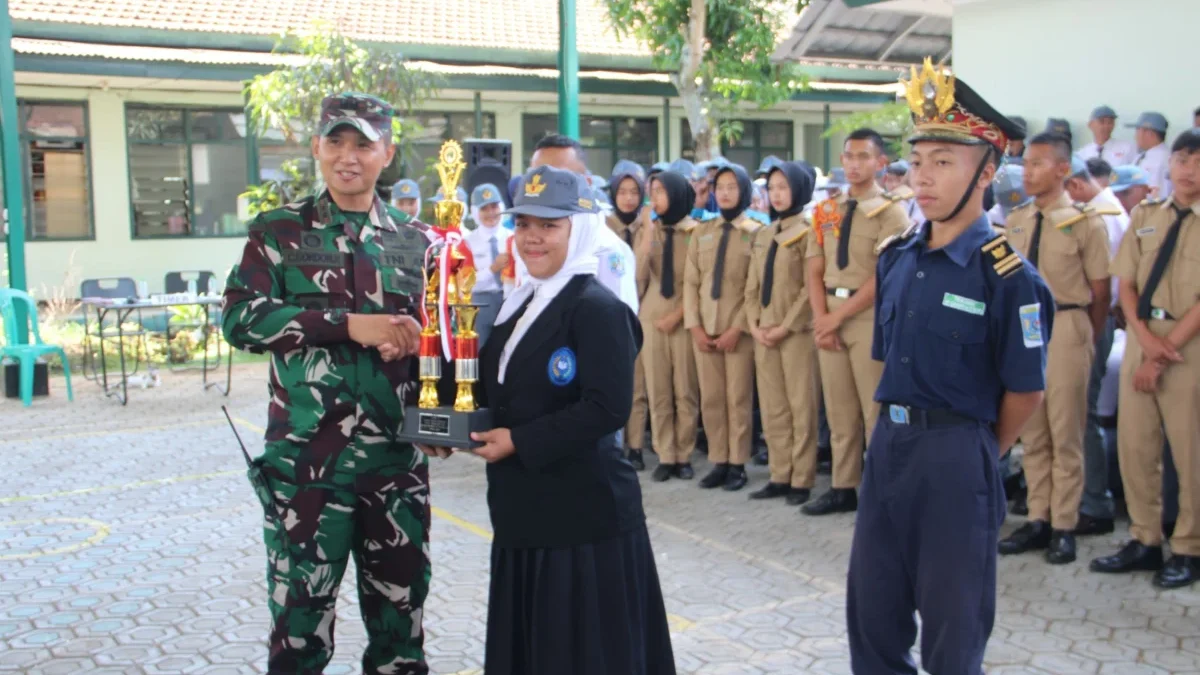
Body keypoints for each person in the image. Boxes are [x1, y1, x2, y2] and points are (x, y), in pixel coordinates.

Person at [421, 164, 676, 674]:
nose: (532, 238)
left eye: (549, 225)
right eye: (524, 224)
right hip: (525, 515)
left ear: (578, 229)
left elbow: (607, 409)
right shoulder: (521, 304)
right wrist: (445, 425)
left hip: (582, 521)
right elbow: (499, 391)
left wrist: (519, 440)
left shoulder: (596, 307)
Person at [847, 63, 1053, 675]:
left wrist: (977, 451)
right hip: (890, 446)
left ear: (987, 172)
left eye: (944, 161)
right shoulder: (898, 258)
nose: (923, 177)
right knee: (872, 617)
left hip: (958, 454)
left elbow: (1027, 391)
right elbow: (888, 358)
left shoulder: (1009, 277)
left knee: (952, 633)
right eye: (918, 162)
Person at [222, 93, 436, 674]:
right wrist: (349, 325)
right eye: (336, 142)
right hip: (305, 468)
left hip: (395, 467)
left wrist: (419, 353)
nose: (349, 157)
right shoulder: (277, 233)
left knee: (401, 637)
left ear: (386, 154)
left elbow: (443, 338)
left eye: (364, 144)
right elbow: (240, 320)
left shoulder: (421, 242)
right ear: (316, 148)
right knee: (298, 638)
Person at [1091, 129, 1200, 589]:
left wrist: (1162, 350)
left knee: (1190, 454)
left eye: (1197, 160)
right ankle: (1145, 539)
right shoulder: (1147, 215)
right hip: (1142, 336)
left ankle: (1190, 548)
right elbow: (1127, 282)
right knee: (1137, 448)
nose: (1188, 168)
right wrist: (1142, 338)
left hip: (1188, 345)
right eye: (1181, 158)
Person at [997, 132, 1112, 565]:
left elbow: (1101, 292)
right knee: (1034, 429)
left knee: (1067, 431)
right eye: (1026, 164)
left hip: (1067, 322)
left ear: (1063, 169)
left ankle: (1065, 524)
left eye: (1038, 164)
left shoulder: (1085, 222)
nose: (1027, 172)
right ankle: (1038, 516)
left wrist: (1084, 336)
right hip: (1026, 327)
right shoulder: (1018, 219)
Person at [803, 128, 910, 516]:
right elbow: (814, 266)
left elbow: (886, 275)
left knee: (873, 411)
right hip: (829, 312)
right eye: (849, 156)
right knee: (839, 408)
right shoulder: (826, 210)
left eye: (863, 156)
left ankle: (881, 491)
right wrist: (821, 319)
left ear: (881, 163)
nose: (854, 163)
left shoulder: (892, 212)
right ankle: (843, 485)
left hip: (866, 317)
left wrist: (836, 319)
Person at [744, 161, 819, 505]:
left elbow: (809, 287)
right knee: (773, 407)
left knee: (801, 407)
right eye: (771, 188)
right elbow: (751, 287)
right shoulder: (762, 233)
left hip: (796, 333)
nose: (775, 194)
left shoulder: (809, 230)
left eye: (783, 187)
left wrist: (785, 326)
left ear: (800, 191)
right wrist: (755, 326)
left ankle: (801, 478)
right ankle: (779, 473)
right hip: (763, 332)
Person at [1064, 156, 1129, 536]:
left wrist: (1090, 332)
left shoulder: (1099, 215)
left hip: (1093, 320)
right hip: (1093, 319)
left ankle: (1094, 502)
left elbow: (1102, 289)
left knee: (1082, 414)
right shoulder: (1105, 209)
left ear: (1073, 185)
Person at [685, 163, 760, 491]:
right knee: (712, 399)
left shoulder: (756, 231)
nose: (726, 192)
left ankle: (738, 463)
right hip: (705, 327)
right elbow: (691, 282)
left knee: (738, 398)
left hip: (737, 331)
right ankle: (718, 459)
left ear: (744, 191)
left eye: (732, 186)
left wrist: (739, 327)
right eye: (721, 187)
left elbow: (755, 287)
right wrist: (695, 326)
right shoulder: (702, 231)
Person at [518, 134, 639, 314]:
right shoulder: (528, 238)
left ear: (587, 184)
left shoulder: (606, 249)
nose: (544, 185)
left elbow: (619, 324)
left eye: (558, 177)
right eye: (537, 176)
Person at [637, 170, 701, 482]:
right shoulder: (649, 230)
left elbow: (698, 280)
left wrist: (677, 315)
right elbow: (637, 275)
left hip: (684, 316)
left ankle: (684, 454)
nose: (655, 198)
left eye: (661, 191)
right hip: (650, 315)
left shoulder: (695, 232)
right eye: (653, 191)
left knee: (685, 390)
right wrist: (648, 232)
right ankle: (665, 454)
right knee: (658, 390)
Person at [608, 159, 651, 469]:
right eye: (622, 191)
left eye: (634, 191)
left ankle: (635, 446)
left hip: (642, 314)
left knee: (637, 385)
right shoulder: (603, 228)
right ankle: (613, 443)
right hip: (609, 315)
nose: (628, 198)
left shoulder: (648, 227)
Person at [465, 182, 512, 347]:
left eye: (494, 206)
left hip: (510, 300)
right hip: (480, 303)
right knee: (479, 352)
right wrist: (492, 269)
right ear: (475, 212)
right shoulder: (467, 242)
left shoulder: (512, 238)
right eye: (484, 208)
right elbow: (465, 283)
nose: (491, 213)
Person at [1131, 111, 1173, 197]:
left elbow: (1160, 194)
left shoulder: (1164, 159)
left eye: (1138, 130)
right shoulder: (1142, 156)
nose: (1135, 135)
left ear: (1148, 133)